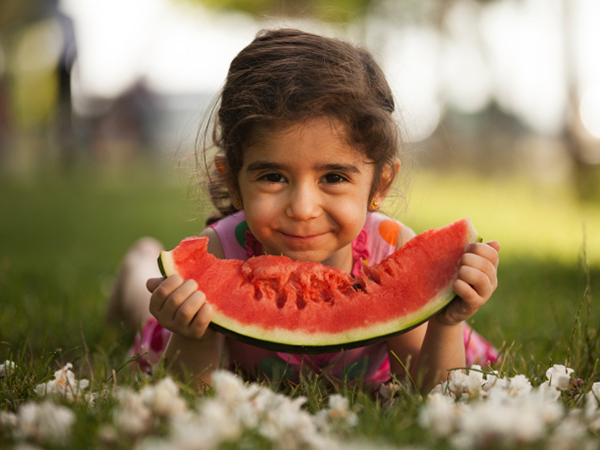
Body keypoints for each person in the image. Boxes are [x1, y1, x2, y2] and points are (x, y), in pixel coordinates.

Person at [106, 28, 500, 393]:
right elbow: (191, 392)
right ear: (234, 183)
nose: (303, 208)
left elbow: (431, 390)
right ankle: (138, 264)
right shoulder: (219, 250)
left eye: (333, 177)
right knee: (148, 303)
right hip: (195, 334)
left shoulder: (390, 251)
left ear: (379, 185)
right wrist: (195, 333)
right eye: (274, 177)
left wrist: (447, 321)